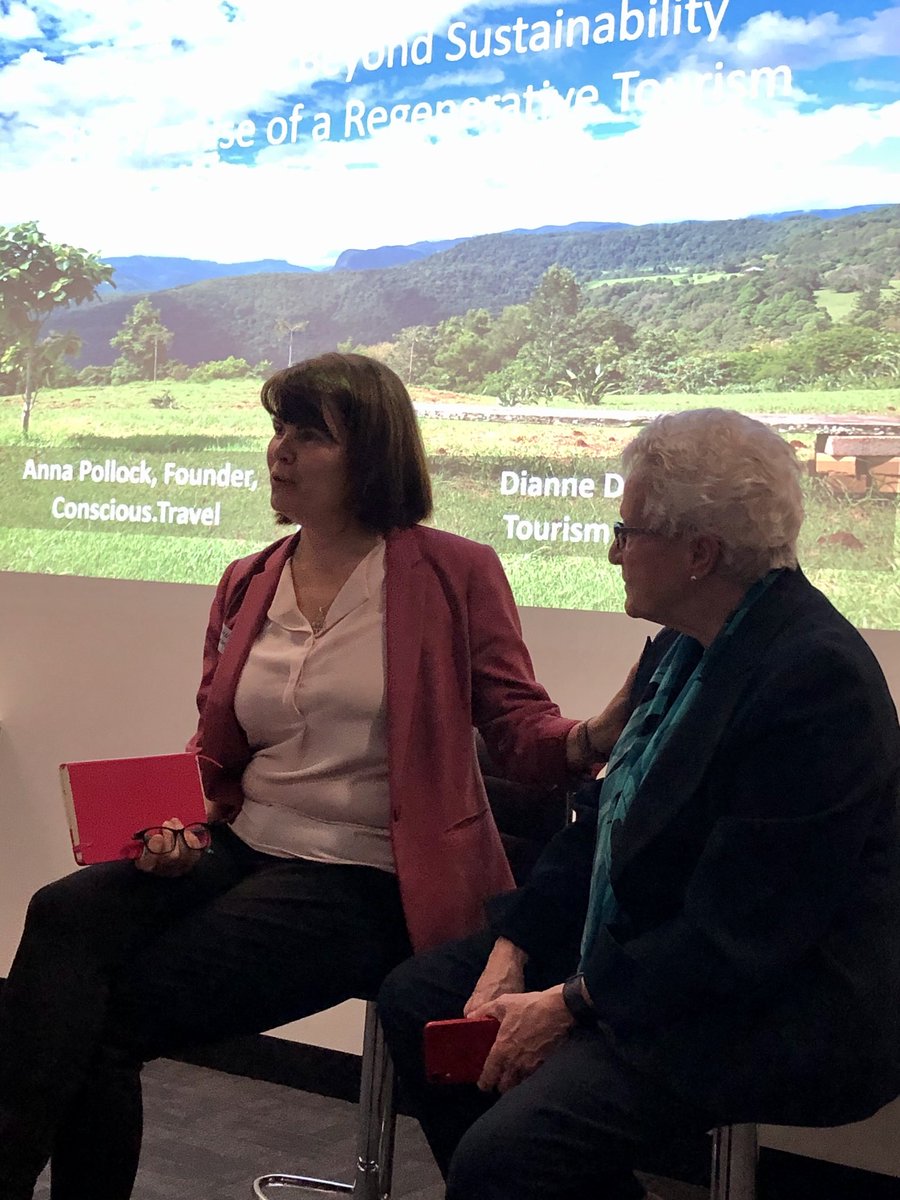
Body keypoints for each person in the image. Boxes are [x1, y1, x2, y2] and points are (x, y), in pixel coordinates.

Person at [0, 352, 622, 1200]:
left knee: (106, 1018)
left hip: (366, 873)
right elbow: (217, 747)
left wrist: (589, 738)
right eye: (276, 429)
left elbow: (516, 727)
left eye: (308, 434)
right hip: (244, 842)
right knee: (62, 910)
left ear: (372, 454)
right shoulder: (249, 579)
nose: (280, 450)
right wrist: (176, 825)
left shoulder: (453, 572)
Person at [377, 407, 900, 1200]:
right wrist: (515, 947)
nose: (613, 553)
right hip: (660, 950)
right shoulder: (685, 648)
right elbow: (599, 823)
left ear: (699, 554)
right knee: (420, 1002)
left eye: (627, 533)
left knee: (509, 1157)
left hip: (777, 998)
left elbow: (743, 931)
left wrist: (569, 1002)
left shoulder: (813, 680)